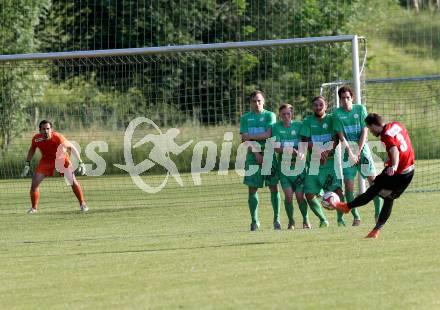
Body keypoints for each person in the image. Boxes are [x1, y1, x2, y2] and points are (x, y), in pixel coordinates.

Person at [332, 113, 415, 239]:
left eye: (370, 129)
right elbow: (401, 144)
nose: (370, 132)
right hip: (409, 171)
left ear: (374, 125)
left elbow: (394, 150)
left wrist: (394, 165)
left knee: (374, 190)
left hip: (398, 171)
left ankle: (347, 207)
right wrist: (391, 161)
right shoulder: (397, 125)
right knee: (386, 196)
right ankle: (375, 230)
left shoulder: (385, 136)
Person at [332, 86, 383, 226]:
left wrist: (358, 152)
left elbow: (365, 132)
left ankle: (378, 214)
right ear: (340, 99)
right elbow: (341, 137)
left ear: (352, 98)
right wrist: (350, 153)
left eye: (348, 97)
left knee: (374, 183)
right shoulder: (336, 114)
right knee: (348, 187)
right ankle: (356, 216)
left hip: (362, 150)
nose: (345, 100)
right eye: (342, 98)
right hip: (346, 152)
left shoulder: (360, 109)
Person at [21, 120, 88, 213]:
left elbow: (71, 147)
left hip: (62, 160)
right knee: (34, 184)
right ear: (39, 130)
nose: (46, 131)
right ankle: (34, 208)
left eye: (48, 129)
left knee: (72, 181)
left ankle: (83, 204)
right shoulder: (36, 139)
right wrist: (27, 164)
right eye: (43, 129)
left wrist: (81, 162)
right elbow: (32, 149)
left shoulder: (58, 137)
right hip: (46, 161)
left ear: (51, 129)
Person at [240, 90, 281, 231]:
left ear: (263, 101)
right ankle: (254, 222)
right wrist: (257, 153)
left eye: (259, 101)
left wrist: (250, 136)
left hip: (269, 154)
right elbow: (244, 139)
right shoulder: (245, 118)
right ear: (250, 103)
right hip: (252, 156)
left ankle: (277, 220)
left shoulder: (270, 115)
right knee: (252, 189)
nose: (257, 104)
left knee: (274, 187)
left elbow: (269, 134)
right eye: (254, 101)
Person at [300, 96, 342, 228]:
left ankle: (340, 220)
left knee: (339, 192)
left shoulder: (331, 119)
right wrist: (319, 151)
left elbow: (336, 139)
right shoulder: (308, 121)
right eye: (316, 105)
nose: (318, 107)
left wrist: (327, 152)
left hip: (329, 164)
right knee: (309, 194)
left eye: (321, 105)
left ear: (326, 105)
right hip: (313, 164)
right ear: (313, 107)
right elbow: (305, 140)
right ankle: (323, 220)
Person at [272, 104, 311, 229]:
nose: (286, 116)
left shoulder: (299, 126)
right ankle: (291, 221)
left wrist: (301, 152)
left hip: (299, 168)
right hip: (284, 168)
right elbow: (277, 148)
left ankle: (306, 220)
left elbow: (305, 143)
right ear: (279, 115)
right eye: (283, 114)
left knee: (300, 197)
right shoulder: (276, 127)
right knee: (288, 197)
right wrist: (291, 150)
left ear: (292, 114)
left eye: (288, 114)